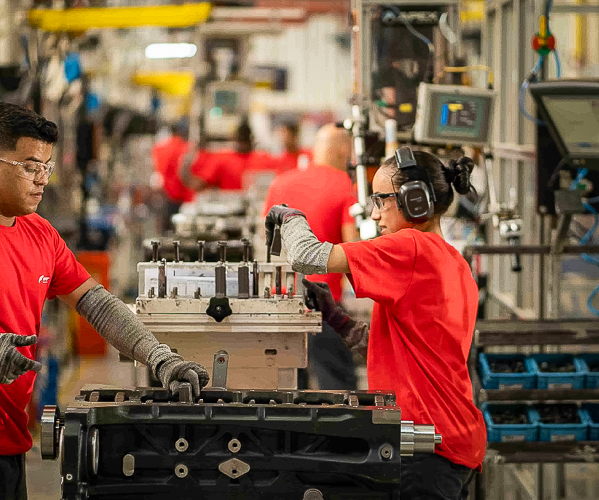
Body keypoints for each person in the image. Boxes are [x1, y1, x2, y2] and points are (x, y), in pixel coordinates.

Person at [0, 102, 209, 500]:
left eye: (46, 167)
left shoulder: (40, 234)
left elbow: (96, 304)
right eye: (30, 167)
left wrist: (158, 357)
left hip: (12, 439)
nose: (42, 180)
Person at [265, 148, 486, 499]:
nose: (375, 214)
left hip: (427, 444)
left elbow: (306, 256)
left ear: (415, 201)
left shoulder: (411, 247)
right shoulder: (453, 262)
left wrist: (290, 214)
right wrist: (334, 316)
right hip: (450, 438)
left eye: (381, 200)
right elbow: (390, 349)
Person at [262, 123, 359, 390]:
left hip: (280, 302)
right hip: (324, 305)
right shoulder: (345, 186)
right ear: (343, 148)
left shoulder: (280, 182)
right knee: (338, 387)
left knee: (289, 389)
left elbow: (268, 244)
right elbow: (354, 249)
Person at [179, 118, 274, 192]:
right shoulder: (222, 158)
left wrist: (184, 168)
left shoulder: (264, 158)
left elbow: (197, 185)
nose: (242, 144)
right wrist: (185, 168)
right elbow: (198, 184)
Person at [152, 119, 195, 228]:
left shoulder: (160, 148)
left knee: (167, 230)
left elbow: (157, 171)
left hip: (166, 196)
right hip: (184, 198)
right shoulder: (187, 147)